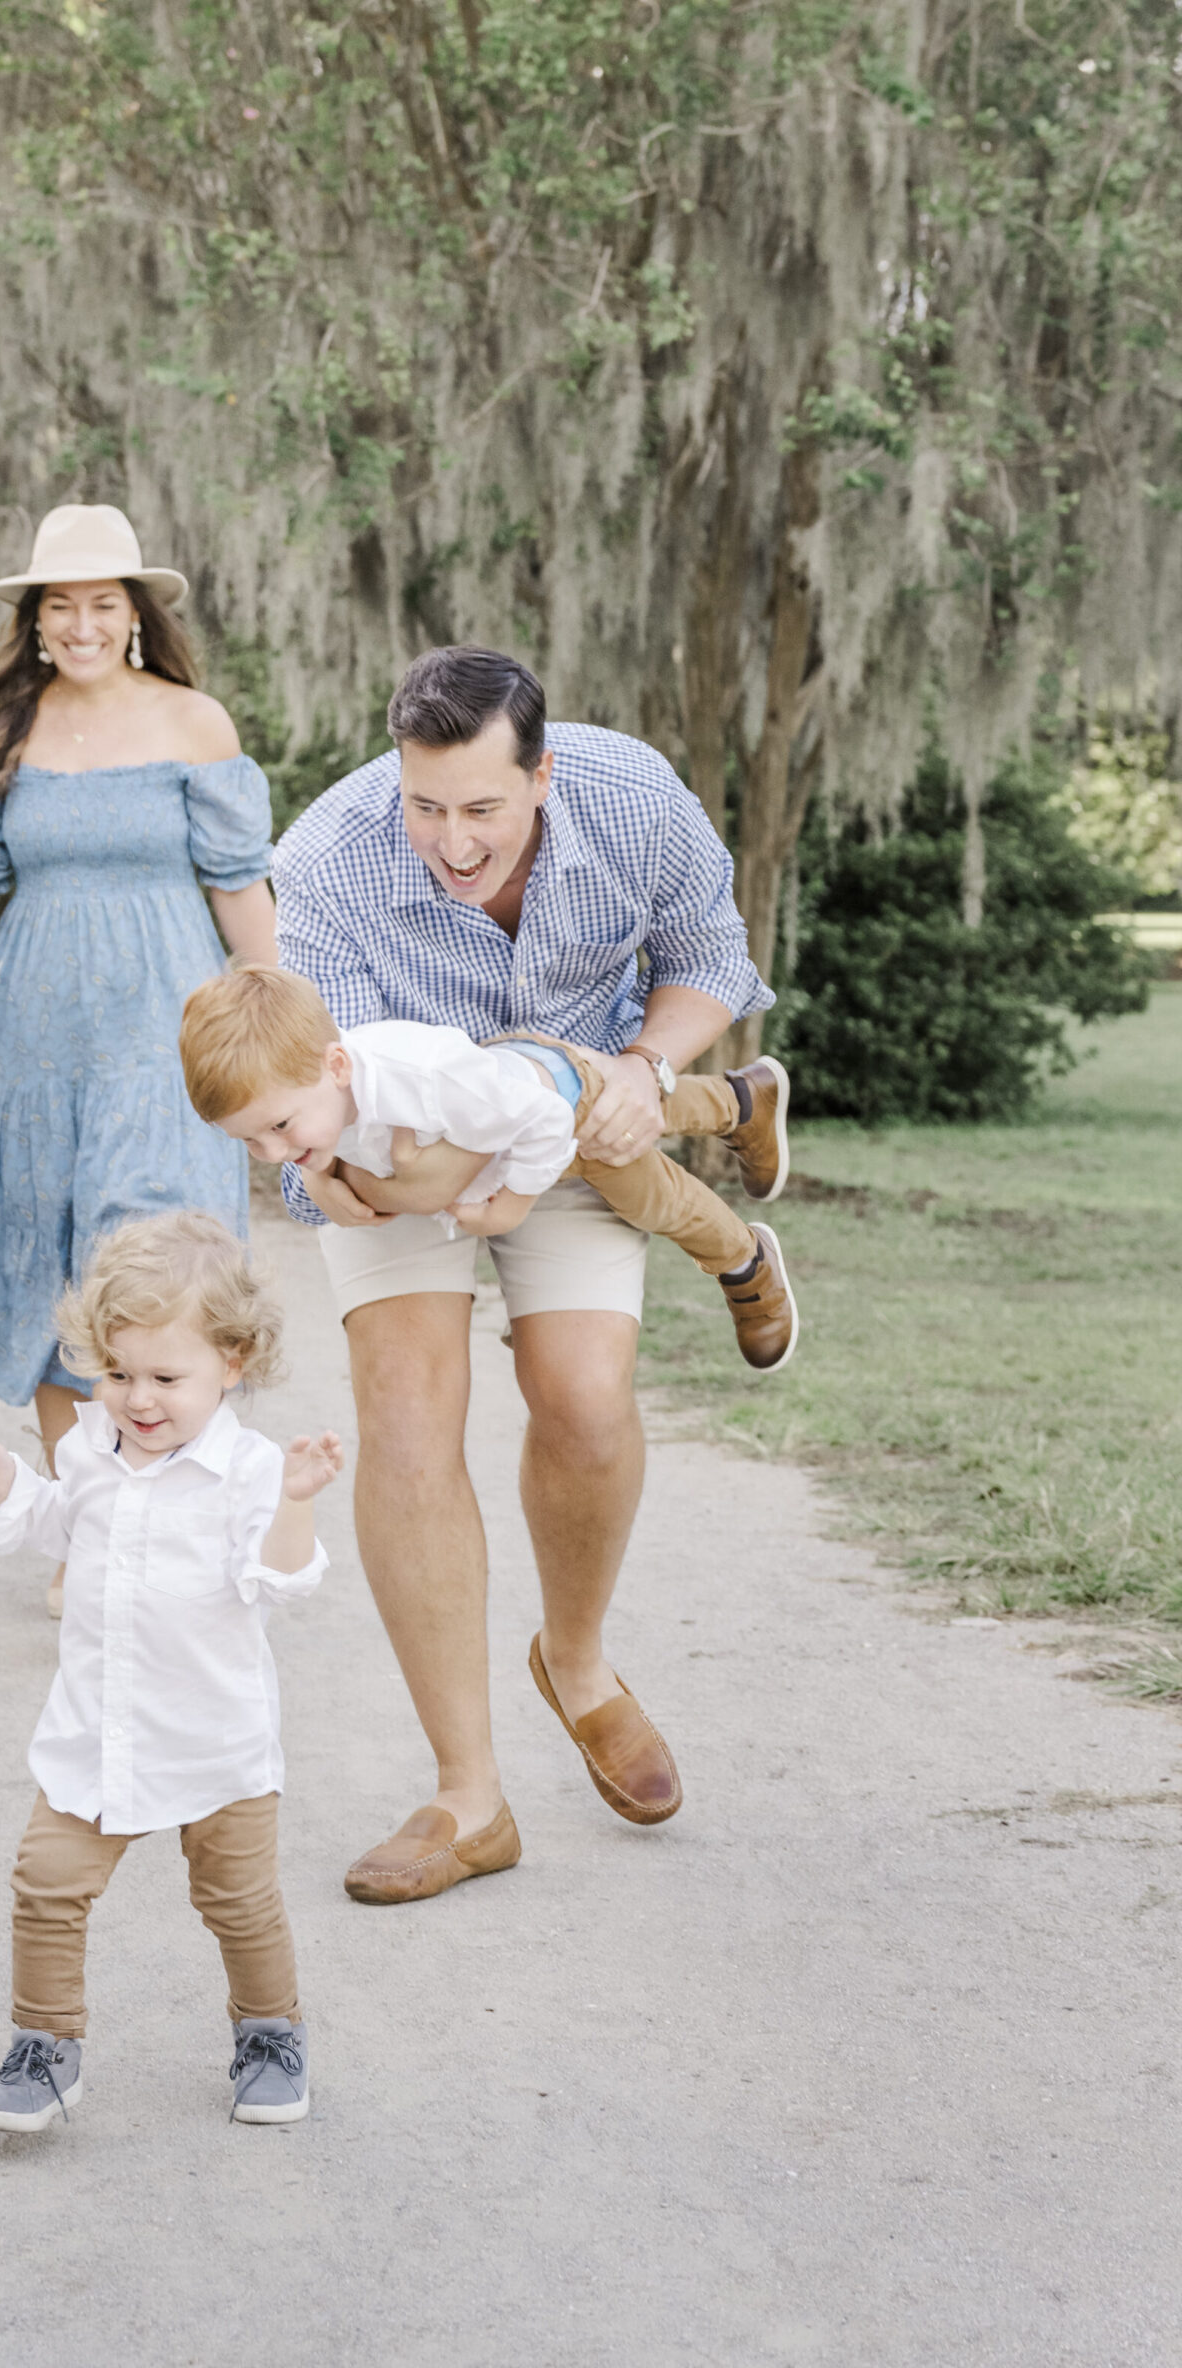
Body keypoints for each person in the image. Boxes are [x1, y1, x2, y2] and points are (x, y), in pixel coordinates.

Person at [269, 644, 776, 1905]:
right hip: (398, 1158)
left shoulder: (632, 795)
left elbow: (710, 953)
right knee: (403, 1410)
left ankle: (580, 1660)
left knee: (585, 1401)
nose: (451, 839)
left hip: (570, 1125)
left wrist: (645, 1071)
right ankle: (467, 1799)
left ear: (541, 776)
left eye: (482, 808)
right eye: (425, 804)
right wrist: (345, 1178)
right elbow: (319, 1104)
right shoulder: (326, 860)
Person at [0, 504, 278, 1611]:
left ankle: (180, 1531)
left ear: (135, 615)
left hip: (166, 1039)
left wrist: (279, 1017)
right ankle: (91, 1532)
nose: (85, 623)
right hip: (34, 1044)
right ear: (37, 620)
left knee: (151, 1263)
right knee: (64, 1286)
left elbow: (239, 885)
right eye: (64, 605)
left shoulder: (194, 723)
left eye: (106, 603)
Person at [0, 1212, 340, 2131]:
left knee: (239, 1902)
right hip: (98, 1730)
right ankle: (44, 2047)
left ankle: (270, 2034)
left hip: (215, 1743)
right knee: (45, 1884)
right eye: (117, 1373)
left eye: (167, 1377)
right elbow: (60, 1526)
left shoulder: (248, 1470)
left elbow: (281, 1579)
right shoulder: (86, 1450)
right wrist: (11, 1486)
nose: (139, 1398)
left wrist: (295, 1503)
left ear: (231, 1363)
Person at [177, 965, 797, 1371]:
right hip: (500, 1102)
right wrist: (314, 1171)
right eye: (249, 1141)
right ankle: (744, 1101)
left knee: (648, 1189)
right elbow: (313, 1139)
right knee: (636, 1106)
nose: (273, 1153)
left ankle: (744, 1258)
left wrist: (513, 1205)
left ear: (337, 1067)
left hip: (550, 1107)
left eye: (280, 1128)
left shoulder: (415, 1083)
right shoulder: (315, 1092)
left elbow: (544, 1124)